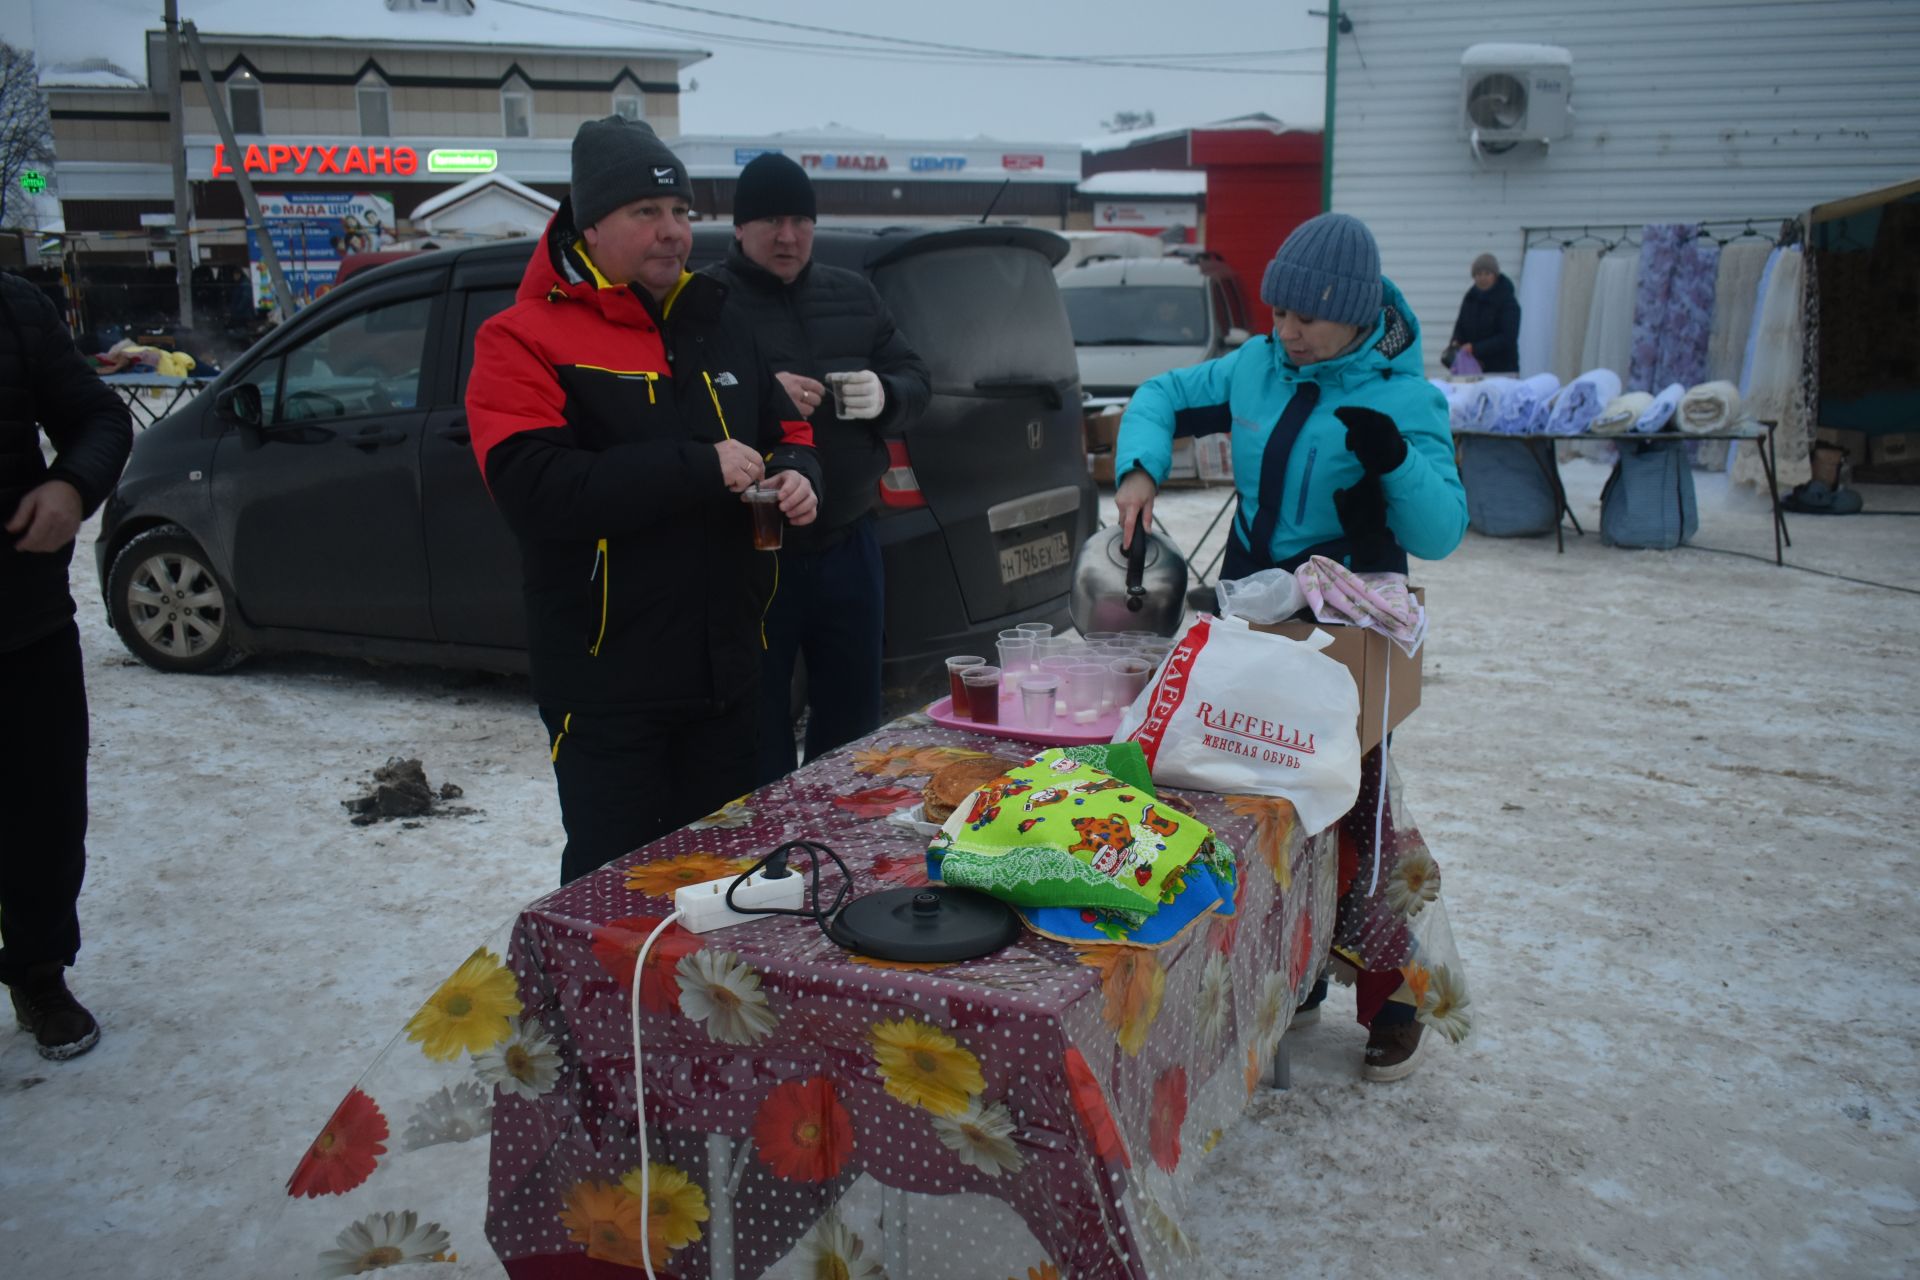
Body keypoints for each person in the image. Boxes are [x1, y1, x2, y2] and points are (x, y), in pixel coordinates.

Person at [1112, 212, 1471, 1082]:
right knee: (1251, 801)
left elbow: (1444, 527)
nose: (1291, 330)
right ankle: (1293, 971)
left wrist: (1394, 462)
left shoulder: (1402, 396)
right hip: (1255, 611)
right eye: (1281, 312)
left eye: (1310, 317)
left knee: (1354, 809)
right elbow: (1162, 394)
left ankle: (1393, 996)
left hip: (1351, 631)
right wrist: (1140, 471)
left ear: (1355, 314)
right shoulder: (1256, 367)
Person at [465, 118, 822, 884]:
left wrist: (798, 472)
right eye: (646, 213)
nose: (672, 233)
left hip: (728, 676)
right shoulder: (522, 337)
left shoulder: (719, 323)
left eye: (683, 214)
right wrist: (697, 468)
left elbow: (784, 426)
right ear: (589, 225)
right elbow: (536, 491)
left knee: (726, 888)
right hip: (608, 690)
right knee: (615, 898)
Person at [703, 153, 931, 784]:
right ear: (740, 227)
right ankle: (769, 854)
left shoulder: (852, 293)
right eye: (772, 220)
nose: (788, 236)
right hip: (755, 546)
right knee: (759, 717)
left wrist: (886, 394)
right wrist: (756, 391)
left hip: (848, 538)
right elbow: (683, 405)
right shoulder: (708, 302)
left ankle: (842, 844)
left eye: (801, 220)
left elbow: (917, 378)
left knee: (854, 716)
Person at [1, 270, 133, 1060]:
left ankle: (39, 973)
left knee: (43, 816)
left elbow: (99, 419)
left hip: (21, 618)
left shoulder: (14, 308)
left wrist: (70, 484)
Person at [1442, 251, 1520, 374]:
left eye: (1487, 273)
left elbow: (1507, 337)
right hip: (1471, 369)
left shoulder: (1507, 301)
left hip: (1502, 370)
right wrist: (1456, 341)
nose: (1482, 278)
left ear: (1495, 275)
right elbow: (1460, 325)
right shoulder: (1470, 298)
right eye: (1478, 274)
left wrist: (1475, 348)